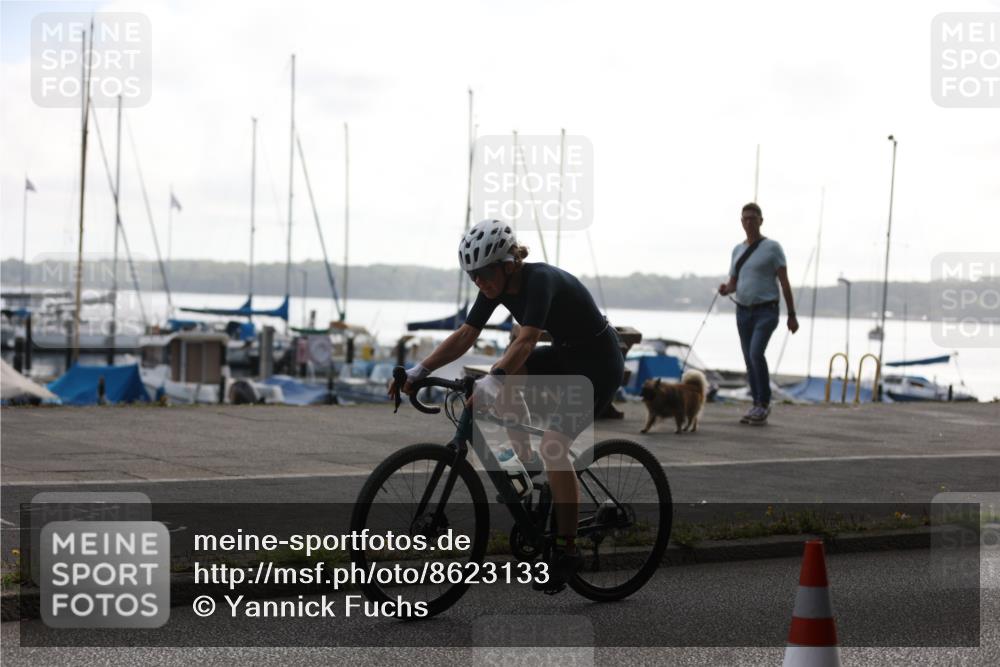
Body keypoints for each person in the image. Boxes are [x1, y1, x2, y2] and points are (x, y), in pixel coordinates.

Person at [398, 218, 624, 592]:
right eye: (472, 276)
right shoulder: (494, 287)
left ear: (508, 265)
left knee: (554, 445)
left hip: (598, 365)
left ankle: (566, 552)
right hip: (567, 355)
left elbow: (528, 339)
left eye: (484, 274)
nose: (479, 283)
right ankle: (526, 470)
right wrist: (420, 369)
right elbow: (466, 334)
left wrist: (493, 378)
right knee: (506, 376)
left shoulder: (540, 281)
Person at [718, 203, 799, 425]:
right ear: (741, 222)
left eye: (753, 218)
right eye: (745, 218)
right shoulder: (737, 250)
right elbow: (734, 282)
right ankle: (756, 403)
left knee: (755, 353)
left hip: (767, 310)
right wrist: (726, 289)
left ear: (761, 220)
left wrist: (792, 314)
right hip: (743, 311)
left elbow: (784, 282)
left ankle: (764, 403)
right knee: (748, 359)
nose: (749, 222)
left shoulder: (773, 248)